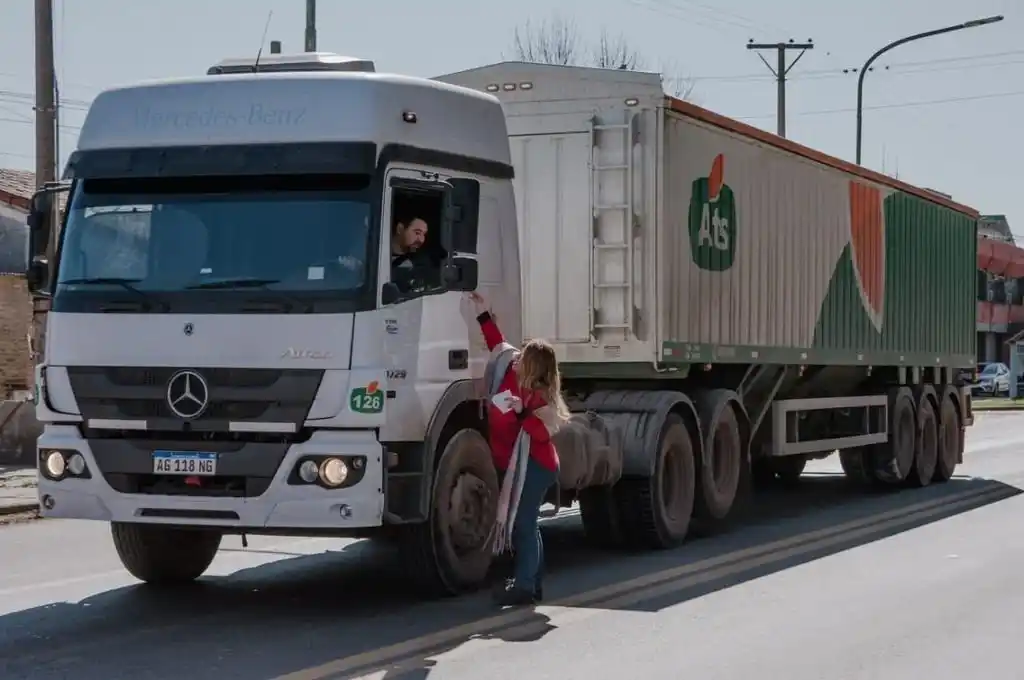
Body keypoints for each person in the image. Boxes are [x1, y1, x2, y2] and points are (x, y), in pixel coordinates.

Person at [468, 291, 569, 606]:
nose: (517, 358)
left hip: (536, 467)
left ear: (535, 369)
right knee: (526, 524)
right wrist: (483, 313)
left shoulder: (541, 397)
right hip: (515, 463)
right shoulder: (510, 368)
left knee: (522, 525)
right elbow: (498, 344)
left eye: (524, 358)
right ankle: (532, 583)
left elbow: (541, 433)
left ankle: (525, 586)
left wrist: (521, 411)